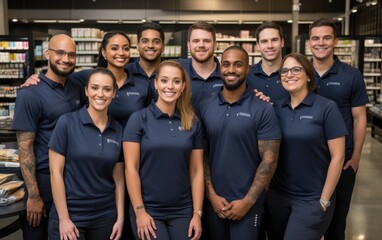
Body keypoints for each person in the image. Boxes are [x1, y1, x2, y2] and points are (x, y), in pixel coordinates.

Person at [198, 45, 281, 240]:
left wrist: (248, 201)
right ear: (220, 69)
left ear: (248, 69)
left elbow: (269, 161)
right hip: (215, 202)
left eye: (238, 65)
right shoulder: (205, 107)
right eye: (226, 64)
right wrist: (211, 196)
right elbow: (201, 154)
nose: (231, 70)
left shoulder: (262, 109)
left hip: (248, 203)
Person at [266, 53, 348, 239]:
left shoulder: (327, 108)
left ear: (309, 75)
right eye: (284, 71)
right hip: (278, 196)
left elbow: (338, 157)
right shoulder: (275, 108)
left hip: (312, 199)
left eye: (296, 69)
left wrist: (324, 200)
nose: (289, 74)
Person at [11, 34, 84, 240]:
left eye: (71, 54)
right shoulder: (30, 93)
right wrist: (33, 195)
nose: (66, 59)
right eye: (60, 53)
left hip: (72, 178)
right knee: (38, 234)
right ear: (47, 54)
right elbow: (25, 148)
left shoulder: (77, 86)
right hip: (43, 180)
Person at [123, 60, 204, 240]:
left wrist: (197, 214)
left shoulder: (192, 122)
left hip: (183, 210)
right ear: (156, 84)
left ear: (183, 86)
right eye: (165, 80)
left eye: (176, 81)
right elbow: (130, 168)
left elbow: (197, 171)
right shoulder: (139, 119)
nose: (170, 86)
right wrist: (140, 211)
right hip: (148, 209)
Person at [308, 18, 369, 240]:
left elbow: (359, 118)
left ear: (335, 41)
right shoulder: (299, 73)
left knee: (336, 225)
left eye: (326, 38)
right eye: (315, 38)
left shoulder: (351, 75)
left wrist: (356, 158)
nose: (320, 43)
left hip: (343, 163)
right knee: (308, 222)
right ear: (309, 42)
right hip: (308, 162)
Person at [48, 68, 124, 240]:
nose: (100, 94)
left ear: (114, 93)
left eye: (107, 89)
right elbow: (56, 173)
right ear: (86, 91)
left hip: (105, 216)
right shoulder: (66, 123)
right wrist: (64, 218)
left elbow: (119, 178)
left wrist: (120, 218)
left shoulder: (118, 130)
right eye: (95, 87)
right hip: (71, 214)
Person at [178, 21, 223, 109]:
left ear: (215, 45)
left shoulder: (227, 75)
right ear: (188, 45)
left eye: (206, 41)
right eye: (196, 41)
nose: (201, 45)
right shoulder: (178, 71)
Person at [246, 21, 288, 102]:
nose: (270, 46)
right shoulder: (247, 74)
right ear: (258, 45)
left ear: (282, 42)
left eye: (274, 40)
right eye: (264, 41)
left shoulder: (293, 75)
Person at [126, 21, 166, 98]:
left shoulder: (171, 72)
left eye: (156, 42)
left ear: (163, 47)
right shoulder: (125, 72)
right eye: (145, 41)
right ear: (137, 46)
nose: (150, 45)